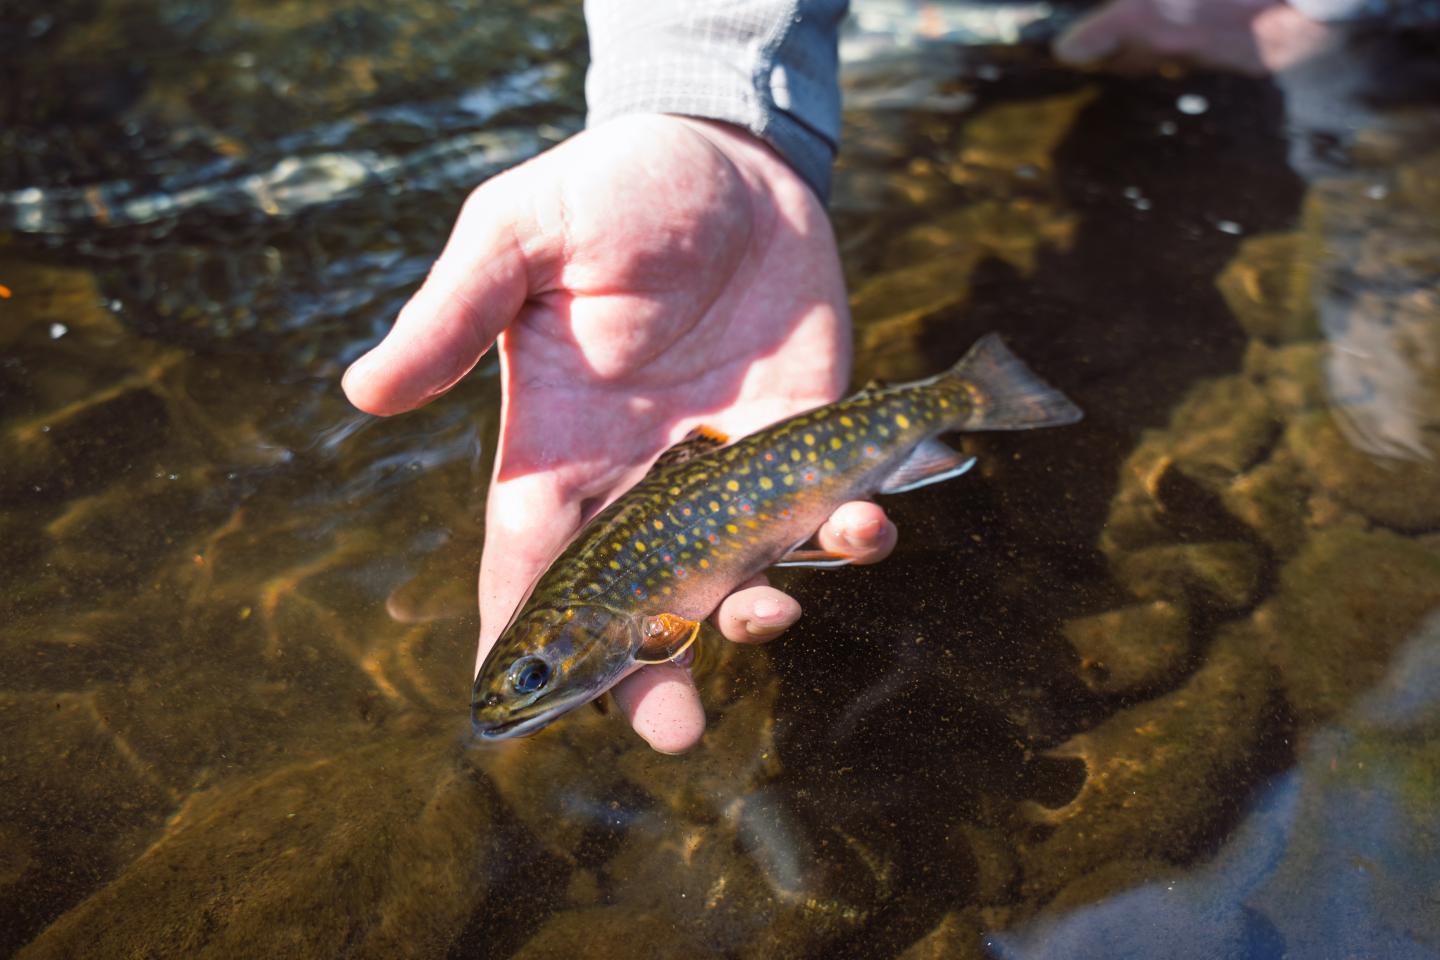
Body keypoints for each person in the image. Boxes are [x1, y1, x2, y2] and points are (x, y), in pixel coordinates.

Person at [342, 0, 1387, 753]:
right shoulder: (616, 625)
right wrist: (712, 108)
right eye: (530, 680)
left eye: (529, 677)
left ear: (568, 643)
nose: (524, 693)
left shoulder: (618, 626)